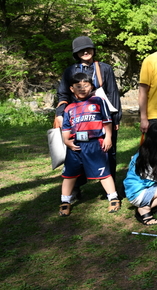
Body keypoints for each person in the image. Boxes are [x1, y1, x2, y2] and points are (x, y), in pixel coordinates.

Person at [55, 36, 122, 197]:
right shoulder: (70, 71)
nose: (85, 52)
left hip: (103, 118)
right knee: (76, 152)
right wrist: (60, 113)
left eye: (88, 49)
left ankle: (109, 187)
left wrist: (116, 118)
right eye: (80, 50)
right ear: (76, 54)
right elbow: (63, 94)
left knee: (108, 150)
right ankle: (76, 186)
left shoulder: (104, 68)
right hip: (78, 120)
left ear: (93, 50)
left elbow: (113, 93)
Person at [58, 73, 120, 217]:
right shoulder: (69, 108)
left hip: (95, 144)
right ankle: (65, 201)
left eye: (86, 85)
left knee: (104, 172)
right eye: (78, 86)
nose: (82, 88)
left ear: (91, 86)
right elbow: (66, 128)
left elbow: (107, 121)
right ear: (72, 89)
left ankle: (113, 197)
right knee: (69, 174)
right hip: (76, 146)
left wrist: (108, 137)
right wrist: (67, 141)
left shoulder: (98, 101)